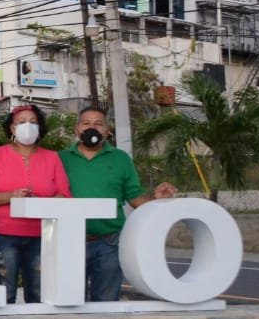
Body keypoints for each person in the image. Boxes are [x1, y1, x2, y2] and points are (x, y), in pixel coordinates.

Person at [59, 105, 176, 301]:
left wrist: (156, 200)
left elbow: (134, 197)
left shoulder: (121, 159)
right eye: (86, 123)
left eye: (98, 124)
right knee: (68, 302)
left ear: (107, 130)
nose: (92, 128)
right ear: (77, 129)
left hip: (109, 243)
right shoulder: (60, 159)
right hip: (68, 242)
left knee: (106, 304)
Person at [0, 104, 72, 304]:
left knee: (38, 294)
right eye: (22, 122)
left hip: (42, 236)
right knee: (5, 294)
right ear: (12, 128)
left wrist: (41, 204)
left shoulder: (52, 158)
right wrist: (11, 196)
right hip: (4, 236)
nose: (28, 126)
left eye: (33, 122)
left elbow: (64, 195)